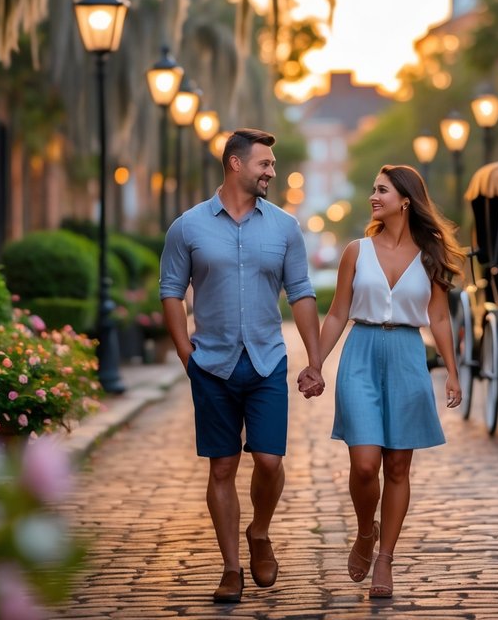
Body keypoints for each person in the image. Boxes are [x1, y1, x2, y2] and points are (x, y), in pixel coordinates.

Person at [159, 128, 321, 604]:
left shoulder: (284, 227)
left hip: (267, 360)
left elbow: (303, 294)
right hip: (211, 364)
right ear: (235, 164)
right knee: (222, 467)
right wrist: (186, 357)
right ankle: (231, 568)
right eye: (264, 164)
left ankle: (260, 530)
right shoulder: (187, 227)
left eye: (271, 165)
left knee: (269, 461)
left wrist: (314, 359)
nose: (272, 171)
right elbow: (170, 292)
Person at [297, 164, 464, 600]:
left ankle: (385, 558)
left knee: (398, 466)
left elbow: (440, 317)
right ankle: (364, 533)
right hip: (361, 354)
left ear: (405, 200)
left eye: (382, 190)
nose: (374, 197)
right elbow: (337, 313)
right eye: (373, 189)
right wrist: (316, 362)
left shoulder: (430, 255)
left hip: (408, 357)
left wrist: (453, 371)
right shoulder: (357, 250)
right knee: (365, 463)